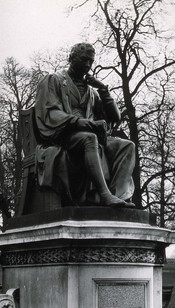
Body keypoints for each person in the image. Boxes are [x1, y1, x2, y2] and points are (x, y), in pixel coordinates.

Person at [34, 42, 135, 208]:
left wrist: (103, 89)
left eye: (91, 61)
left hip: (90, 135)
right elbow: (51, 113)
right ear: (71, 58)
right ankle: (105, 195)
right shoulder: (54, 80)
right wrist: (85, 123)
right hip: (63, 135)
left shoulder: (91, 92)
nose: (88, 65)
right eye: (84, 60)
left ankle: (119, 198)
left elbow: (115, 118)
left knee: (126, 146)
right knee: (89, 138)